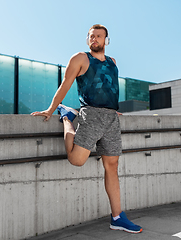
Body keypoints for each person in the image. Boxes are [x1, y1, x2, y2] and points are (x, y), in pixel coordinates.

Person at [31, 24, 142, 234]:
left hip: (110, 118)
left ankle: (117, 217)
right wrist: (51, 109)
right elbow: (65, 84)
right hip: (90, 115)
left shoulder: (113, 63)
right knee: (76, 160)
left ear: (106, 40)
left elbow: (111, 88)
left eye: (99, 36)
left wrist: (112, 109)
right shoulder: (81, 58)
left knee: (112, 165)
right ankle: (67, 117)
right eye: (92, 36)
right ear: (87, 39)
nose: (95, 39)